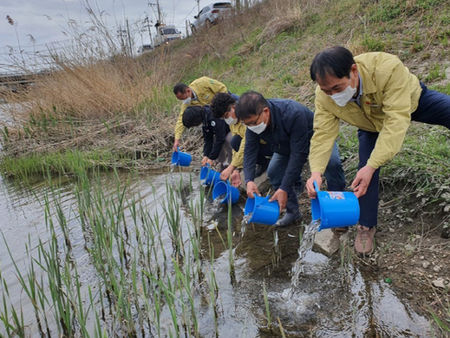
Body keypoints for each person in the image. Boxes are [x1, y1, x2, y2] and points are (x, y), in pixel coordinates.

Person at [306, 46, 450, 256]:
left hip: (409, 102)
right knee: (364, 175)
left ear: (353, 71)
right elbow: (323, 134)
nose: (332, 95)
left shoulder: (387, 69)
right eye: (327, 91)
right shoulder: (324, 94)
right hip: (368, 124)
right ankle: (366, 227)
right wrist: (316, 171)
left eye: (337, 88)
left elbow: (395, 122)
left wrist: (374, 164)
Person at [235, 91, 346, 227]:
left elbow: (298, 154)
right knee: (274, 172)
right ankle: (292, 212)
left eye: (253, 122)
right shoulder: (252, 125)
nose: (251, 127)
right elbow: (249, 151)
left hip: (316, 140)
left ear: (266, 111)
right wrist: (249, 180)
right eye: (247, 125)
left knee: (332, 163)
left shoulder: (292, 112)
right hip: (284, 146)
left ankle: (337, 209)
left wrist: (284, 188)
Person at [210, 92, 272, 187]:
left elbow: (246, 144)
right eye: (223, 118)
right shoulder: (233, 122)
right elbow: (236, 147)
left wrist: (231, 167)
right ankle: (263, 163)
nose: (227, 120)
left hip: (269, 144)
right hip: (256, 145)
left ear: (233, 107)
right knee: (234, 141)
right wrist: (236, 169)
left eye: (226, 116)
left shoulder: (247, 115)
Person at [172, 76, 230, 152]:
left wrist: (222, 107)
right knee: (217, 138)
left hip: (225, 103)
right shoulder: (187, 104)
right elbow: (180, 120)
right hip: (213, 117)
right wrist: (177, 140)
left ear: (188, 91)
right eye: (181, 100)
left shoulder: (202, 83)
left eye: (183, 98)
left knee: (244, 107)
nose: (183, 101)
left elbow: (222, 88)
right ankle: (222, 162)